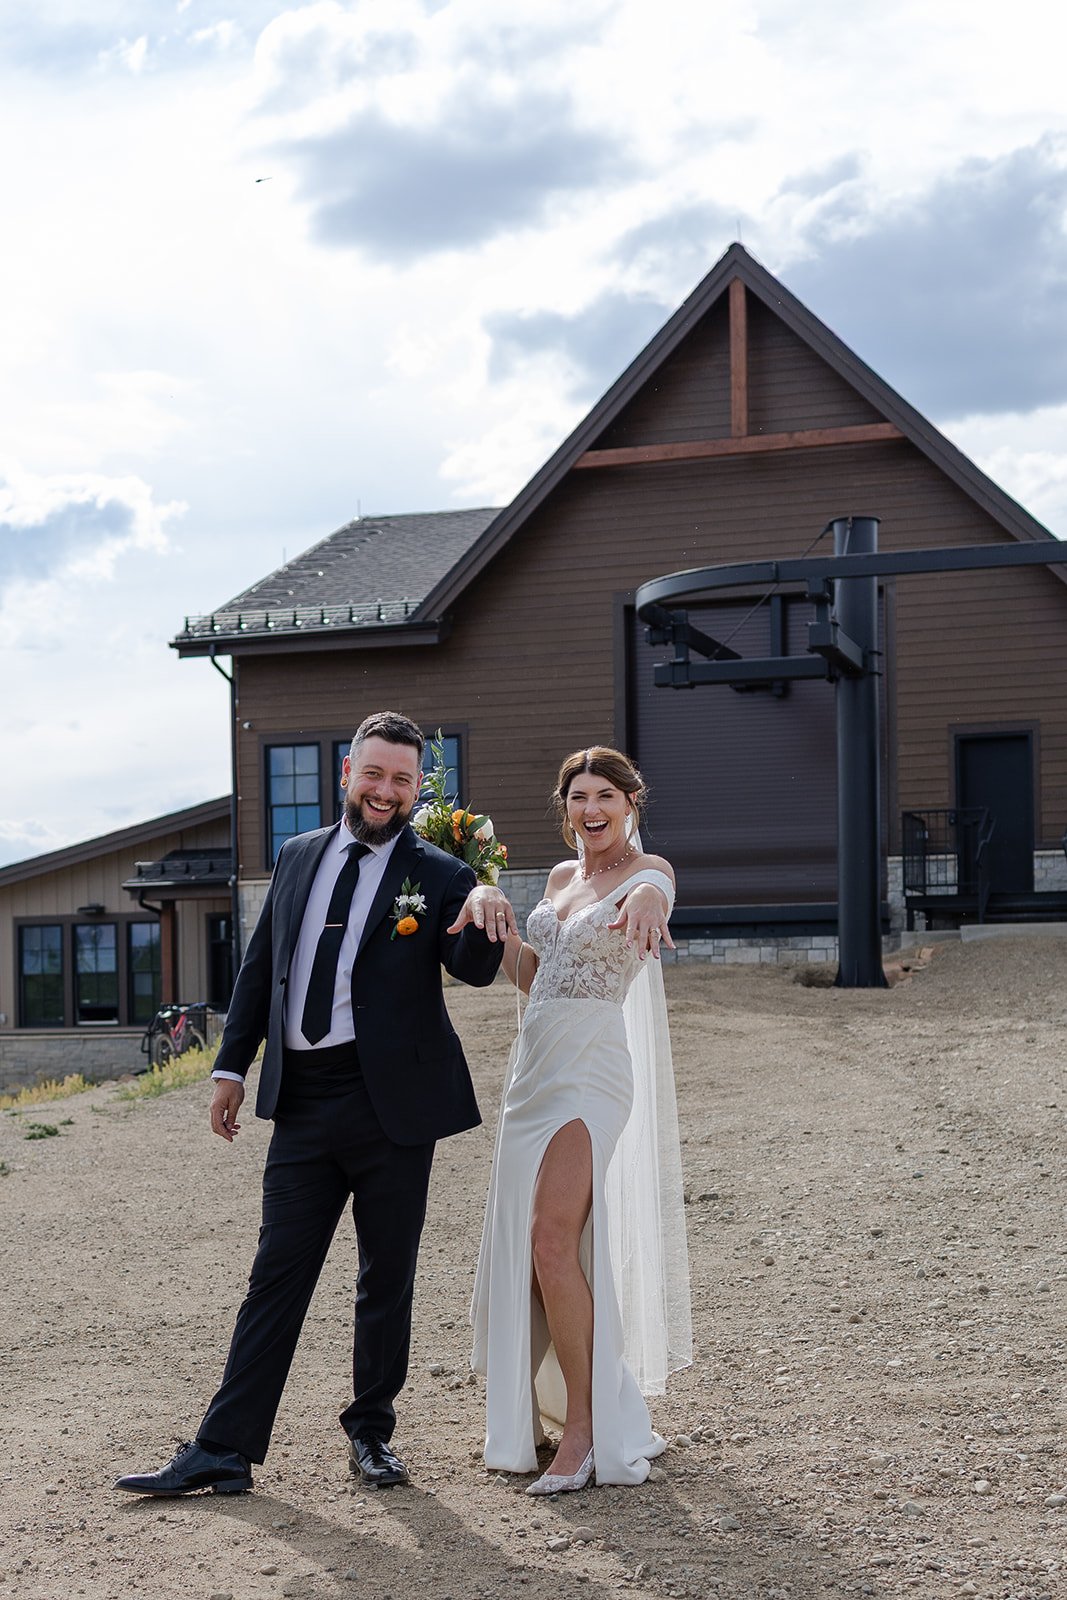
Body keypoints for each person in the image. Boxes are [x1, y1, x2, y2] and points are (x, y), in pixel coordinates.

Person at [116, 711, 515, 1497]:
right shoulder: (297, 856)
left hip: (392, 1109)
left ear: (415, 791)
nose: (386, 791)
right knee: (276, 1275)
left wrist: (487, 916)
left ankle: (370, 1434)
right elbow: (262, 965)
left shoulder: (439, 874)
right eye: (374, 774)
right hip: (302, 1102)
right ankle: (223, 1449)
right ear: (347, 774)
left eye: (403, 780)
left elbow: (468, 970)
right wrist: (231, 1068)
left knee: (385, 1274)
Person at [470, 746, 692, 1493]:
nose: (589, 809)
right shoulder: (562, 878)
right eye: (576, 796)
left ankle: (590, 1434)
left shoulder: (646, 871)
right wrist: (503, 932)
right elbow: (540, 980)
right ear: (563, 806)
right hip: (531, 1071)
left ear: (631, 802)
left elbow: (655, 894)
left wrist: (651, 900)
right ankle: (560, 1409)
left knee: (550, 1238)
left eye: (604, 795)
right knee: (535, 1248)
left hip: (591, 1071)